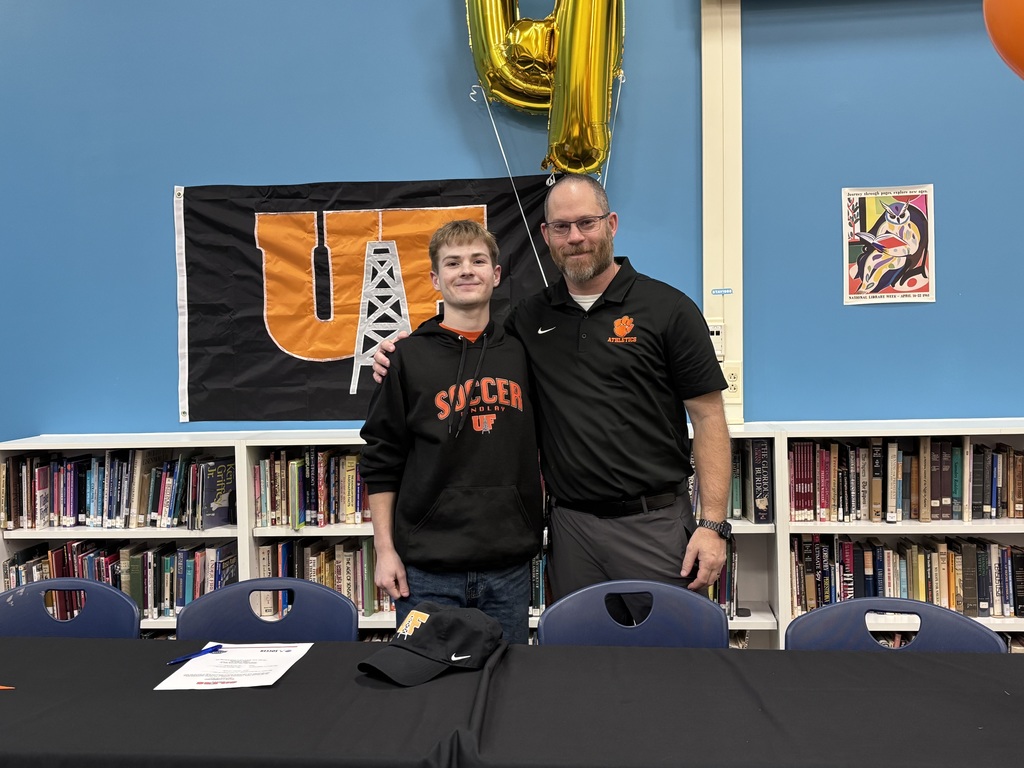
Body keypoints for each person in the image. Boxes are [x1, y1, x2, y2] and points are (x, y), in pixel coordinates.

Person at [374, 175, 731, 606]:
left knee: (662, 661)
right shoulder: (528, 317)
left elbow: (709, 417)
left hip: (652, 524)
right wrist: (402, 348)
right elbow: (463, 335)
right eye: (561, 227)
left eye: (587, 223)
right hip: (569, 530)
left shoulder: (668, 309)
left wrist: (712, 527)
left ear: (612, 224)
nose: (575, 237)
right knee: (574, 661)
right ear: (546, 235)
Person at [358, 219, 543, 644]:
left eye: (478, 260)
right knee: (426, 691)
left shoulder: (523, 352)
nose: (466, 270)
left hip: (508, 567)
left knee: (505, 685)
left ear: (496, 275)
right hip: (427, 571)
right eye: (453, 262)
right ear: (435, 279)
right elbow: (382, 460)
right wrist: (384, 550)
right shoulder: (406, 358)